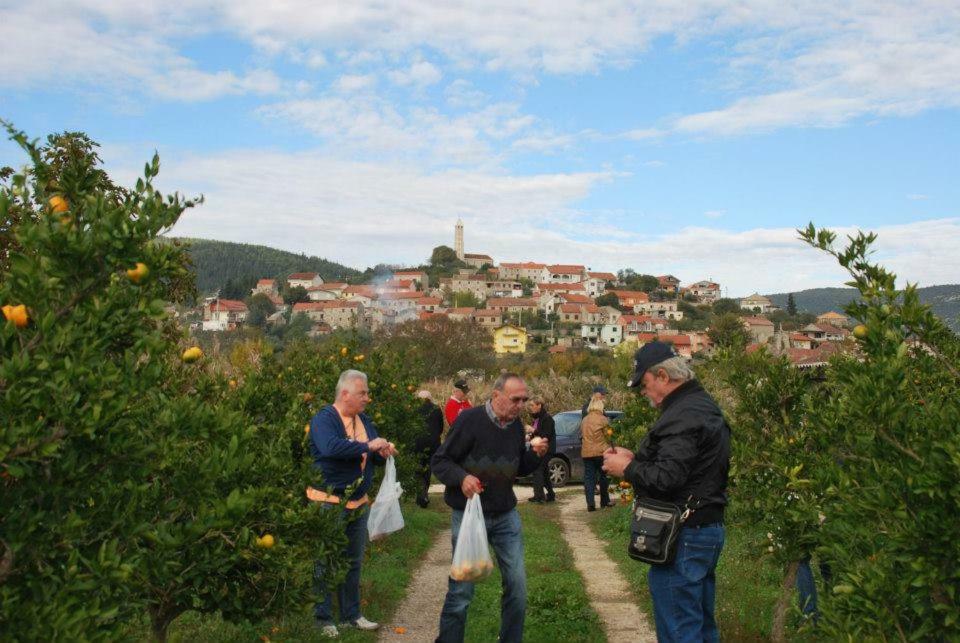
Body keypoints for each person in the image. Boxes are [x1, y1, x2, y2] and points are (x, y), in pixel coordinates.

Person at [603, 342, 731, 643]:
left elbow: (668, 478)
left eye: (644, 386)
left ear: (663, 376)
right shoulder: (700, 405)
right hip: (703, 528)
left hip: (682, 536)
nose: (643, 394)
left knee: (680, 630)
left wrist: (627, 469)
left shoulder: (683, 415)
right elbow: (688, 469)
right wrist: (635, 459)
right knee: (698, 625)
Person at [431, 373, 549, 643]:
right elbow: (440, 461)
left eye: (524, 399)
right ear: (496, 396)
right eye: (515, 399)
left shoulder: (517, 428)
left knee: (518, 587)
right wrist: (462, 478)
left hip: (506, 516)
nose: (520, 405)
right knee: (461, 590)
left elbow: (516, 468)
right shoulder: (469, 421)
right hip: (471, 517)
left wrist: (535, 455)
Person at [308, 369, 398, 638]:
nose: (367, 398)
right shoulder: (325, 419)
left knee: (352, 561)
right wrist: (369, 446)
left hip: (357, 503)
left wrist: (382, 452)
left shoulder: (364, 421)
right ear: (345, 394)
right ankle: (322, 618)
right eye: (363, 393)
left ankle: (351, 615)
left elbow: (371, 454)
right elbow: (330, 448)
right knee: (324, 560)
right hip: (328, 501)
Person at [580, 393, 616, 511]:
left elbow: (582, 435)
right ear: (600, 406)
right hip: (601, 452)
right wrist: (613, 448)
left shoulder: (584, 420)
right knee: (603, 477)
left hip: (587, 453)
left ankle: (590, 504)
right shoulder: (603, 419)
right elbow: (609, 435)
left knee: (589, 478)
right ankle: (604, 501)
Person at [414, 390, 444, 508]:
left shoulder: (414, 409)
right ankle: (424, 494)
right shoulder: (436, 409)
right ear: (430, 398)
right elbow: (441, 427)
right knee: (427, 468)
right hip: (433, 444)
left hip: (417, 443)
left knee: (418, 468)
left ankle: (420, 495)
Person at [527, 396, 556, 503]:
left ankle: (539, 497)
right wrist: (529, 437)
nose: (531, 408)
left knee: (537, 470)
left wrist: (533, 431)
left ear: (539, 405)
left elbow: (545, 436)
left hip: (546, 450)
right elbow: (536, 434)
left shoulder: (547, 418)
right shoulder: (537, 418)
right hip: (539, 449)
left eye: (532, 405)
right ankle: (551, 495)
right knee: (544, 472)